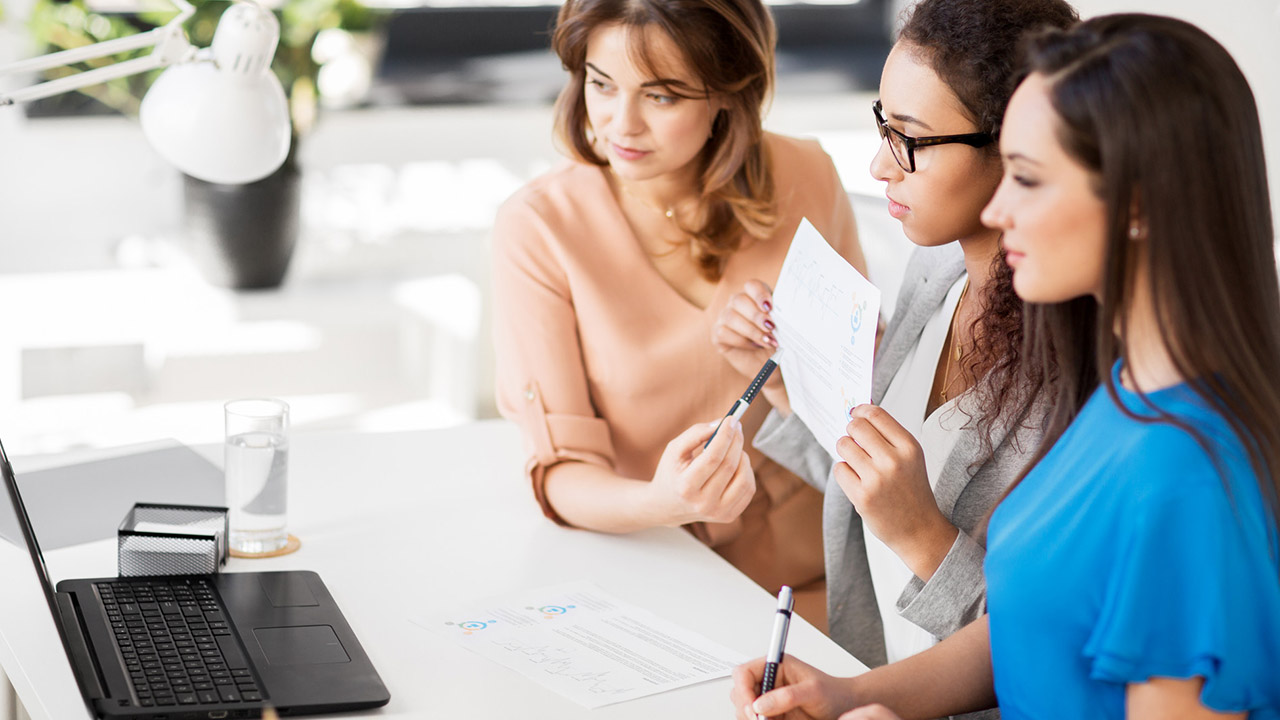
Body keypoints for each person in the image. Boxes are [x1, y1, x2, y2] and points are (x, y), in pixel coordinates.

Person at [730, 13, 1280, 720]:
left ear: (1137, 204)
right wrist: (847, 696)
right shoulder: (1127, 397)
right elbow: (1022, 629)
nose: (999, 206)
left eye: (1026, 177)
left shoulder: (1182, 478)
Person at [713, 0, 1076, 679]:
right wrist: (789, 388)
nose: (882, 166)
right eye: (884, 124)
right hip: (871, 682)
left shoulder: (1078, 371)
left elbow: (1059, 647)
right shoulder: (935, 270)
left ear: (1016, 146)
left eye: (910, 139)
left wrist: (925, 539)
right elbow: (875, 494)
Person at [491, 0, 867, 626]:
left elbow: (863, 406)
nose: (622, 125)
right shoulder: (540, 227)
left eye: (662, 96)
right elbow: (560, 474)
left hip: (813, 583)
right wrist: (662, 502)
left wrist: (781, 381)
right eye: (601, 84)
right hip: (644, 579)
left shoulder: (808, 177)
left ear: (727, 91)